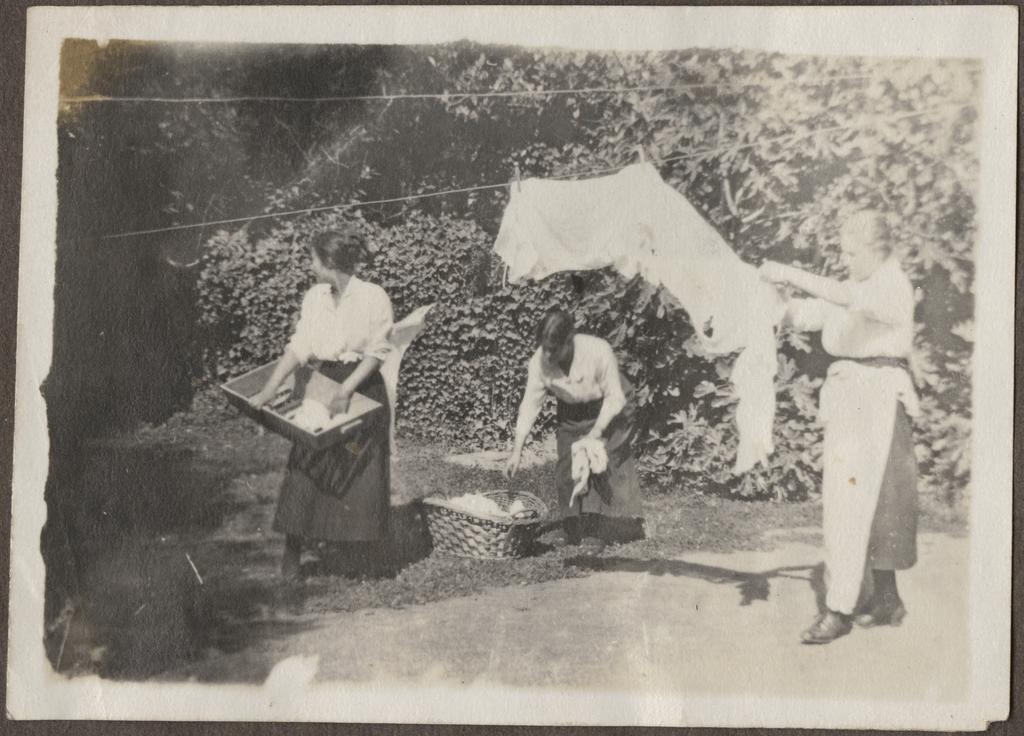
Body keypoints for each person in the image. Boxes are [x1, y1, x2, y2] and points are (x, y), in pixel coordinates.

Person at [760, 209, 919, 644]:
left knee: (853, 504)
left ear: (876, 250)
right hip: (853, 398)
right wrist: (759, 297)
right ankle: (885, 599)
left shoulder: (892, 286)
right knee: (866, 503)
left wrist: (786, 271)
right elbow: (809, 312)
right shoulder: (863, 285)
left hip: (878, 398)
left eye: (852, 253)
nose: (846, 260)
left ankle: (838, 609)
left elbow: (841, 295)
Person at [251, 228, 394, 580]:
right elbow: (300, 346)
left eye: (313, 259)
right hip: (324, 383)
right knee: (305, 464)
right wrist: (270, 388)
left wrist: (346, 389)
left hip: (362, 386)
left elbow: (377, 353)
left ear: (329, 263)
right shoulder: (315, 298)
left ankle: (362, 559)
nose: (310, 265)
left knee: (361, 471)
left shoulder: (373, 296)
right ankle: (292, 553)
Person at [505, 309, 645, 549]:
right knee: (566, 466)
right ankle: (572, 527)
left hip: (611, 404)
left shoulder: (597, 351)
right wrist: (517, 450)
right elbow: (530, 404)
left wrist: (597, 432)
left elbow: (615, 398)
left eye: (554, 350)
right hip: (572, 410)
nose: (548, 356)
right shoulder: (539, 362)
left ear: (569, 340)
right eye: (545, 349)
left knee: (599, 460)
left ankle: (596, 530)